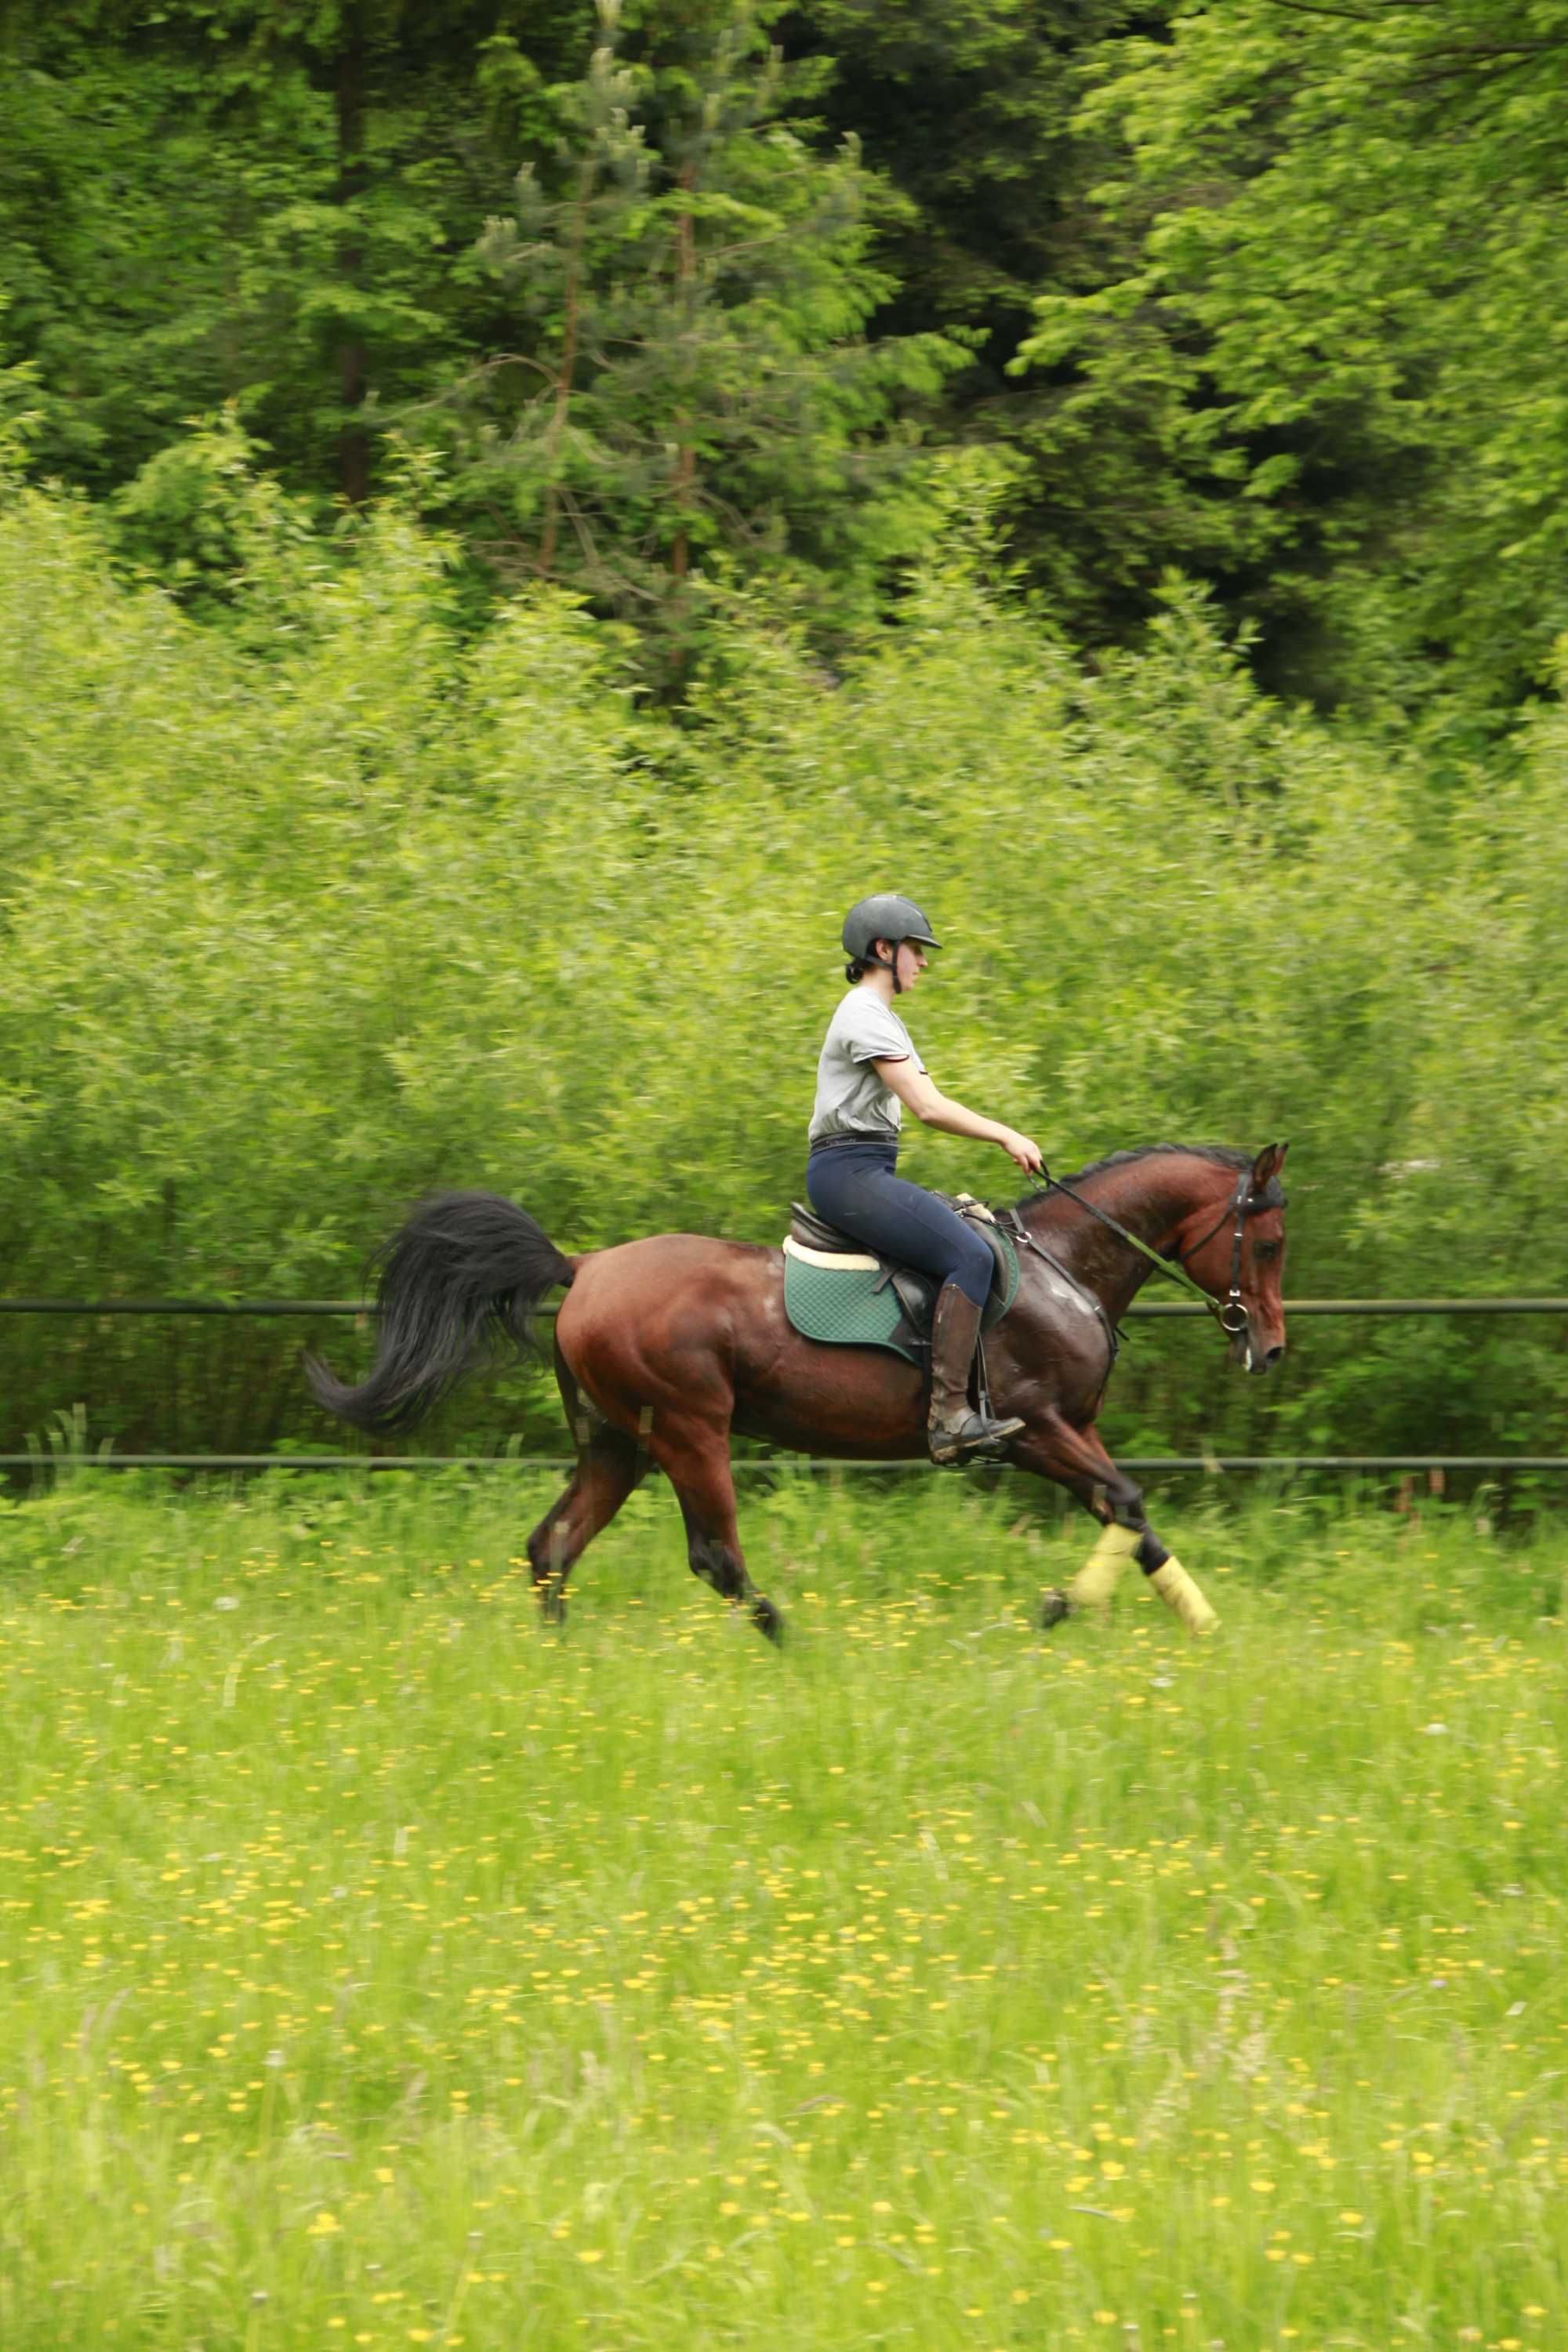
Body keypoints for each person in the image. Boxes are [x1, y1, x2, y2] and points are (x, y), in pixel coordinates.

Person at [806, 893, 1044, 1464]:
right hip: (849, 1172)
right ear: (883, 950)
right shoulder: (864, 1012)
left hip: (864, 1167)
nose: (924, 961)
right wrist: (1006, 1134)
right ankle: (949, 1416)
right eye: (916, 950)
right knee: (972, 1257)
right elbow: (928, 1108)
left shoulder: (880, 1017)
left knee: (972, 1238)